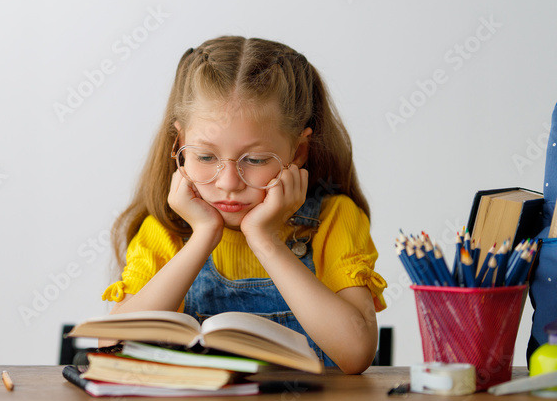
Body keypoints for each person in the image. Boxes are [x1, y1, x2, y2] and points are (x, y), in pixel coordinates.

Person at [102, 36, 386, 373]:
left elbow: (356, 354)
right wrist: (204, 235)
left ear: (297, 152)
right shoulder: (167, 228)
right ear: (180, 143)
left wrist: (265, 240)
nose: (228, 183)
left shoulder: (333, 218)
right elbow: (112, 345)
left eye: (254, 159)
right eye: (206, 156)